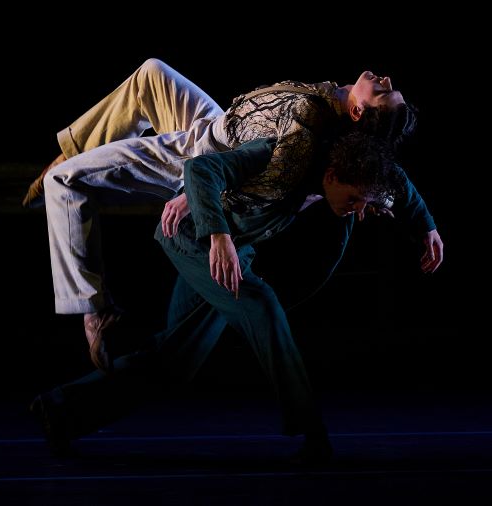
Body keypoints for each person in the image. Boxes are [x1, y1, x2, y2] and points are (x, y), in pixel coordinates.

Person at [30, 130, 439, 465]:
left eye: (363, 204)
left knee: (177, 359)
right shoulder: (284, 153)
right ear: (332, 175)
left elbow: (396, 178)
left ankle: (61, 410)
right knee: (261, 305)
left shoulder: (351, 164)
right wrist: (218, 235)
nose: (355, 210)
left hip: (234, 248)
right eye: (352, 200)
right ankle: (313, 433)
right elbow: (201, 167)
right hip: (196, 240)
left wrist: (427, 228)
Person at [25, 58, 443, 371]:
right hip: (216, 122)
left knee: (63, 183)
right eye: (390, 88)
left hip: (196, 155)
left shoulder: (309, 133)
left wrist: (198, 192)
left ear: (358, 112)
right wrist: (426, 225)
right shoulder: (342, 109)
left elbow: (267, 185)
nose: (386, 80)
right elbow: (393, 172)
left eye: (385, 92)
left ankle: (92, 308)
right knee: (151, 74)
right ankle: (74, 146)